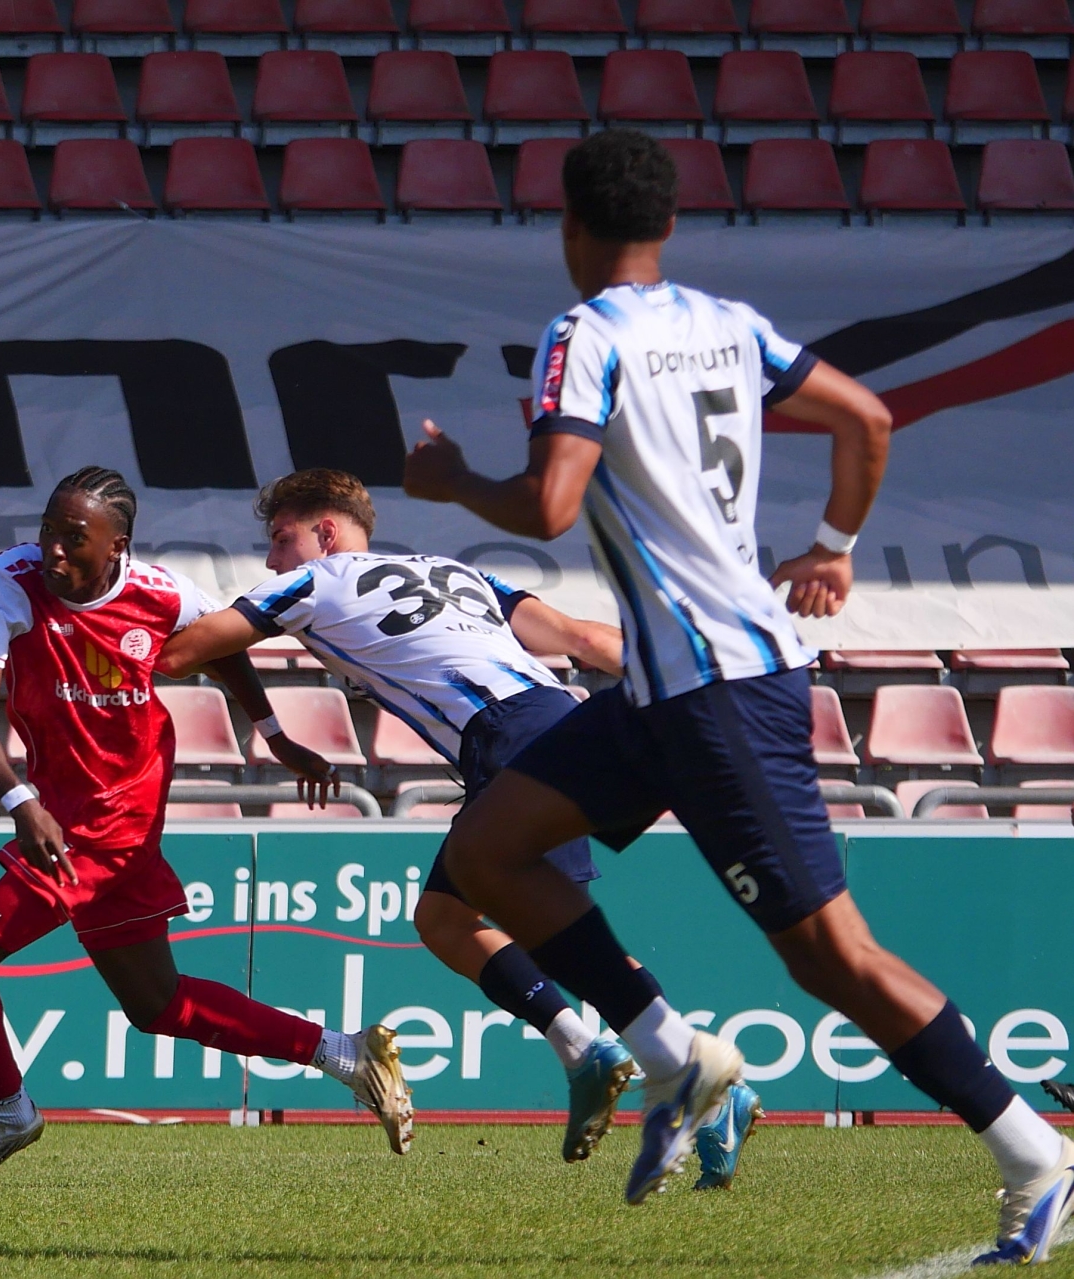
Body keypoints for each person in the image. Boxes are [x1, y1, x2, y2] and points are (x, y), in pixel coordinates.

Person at [401, 129, 1074, 1262]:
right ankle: (674, 1057)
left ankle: (1032, 1153)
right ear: (668, 225)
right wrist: (835, 545)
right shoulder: (728, 322)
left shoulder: (583, 334)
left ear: (570, 227)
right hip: (665, 687)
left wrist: (454, 480)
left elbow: (553, 505)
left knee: (832, 958)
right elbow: (867, 418)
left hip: (717, 689)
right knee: (487, 851)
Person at [155, 467, 761, 1187]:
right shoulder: (457, 574)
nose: (271, 557)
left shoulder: (315, 580)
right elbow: (581, 638)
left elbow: (183, 652)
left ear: (326, 531)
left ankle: (682, 1076)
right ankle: (606, 1056)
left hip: (508, 737)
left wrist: (107, 644)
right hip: (561, 722)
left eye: (282, 538)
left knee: (554, 934)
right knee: (451, 919)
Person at [0, 465, 413, 1184]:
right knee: (157, 1003)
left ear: (116, 545)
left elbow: (226, 647)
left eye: (74, 538)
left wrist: (274, 735)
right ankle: (346, 1054)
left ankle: (7, 1112)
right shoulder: (9, 579)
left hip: (105, 826)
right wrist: (20, 800)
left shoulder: (162, 593)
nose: (53, 549)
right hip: (67, 815)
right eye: (48, 531)